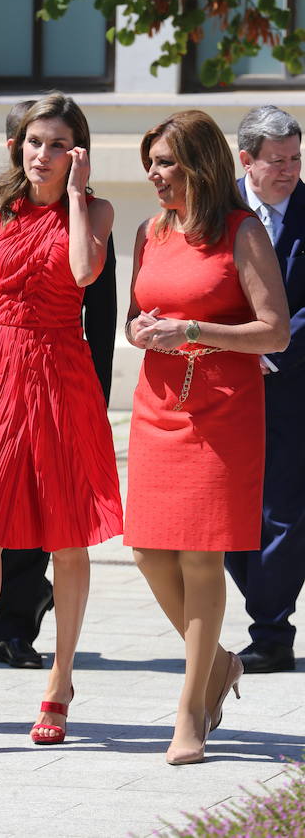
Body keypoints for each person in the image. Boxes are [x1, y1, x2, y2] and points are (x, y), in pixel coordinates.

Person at [0, 92, 123, 746]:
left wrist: (74, 196)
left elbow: (82, 271)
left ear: (79, 152)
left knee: (67, 540)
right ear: (18, 144)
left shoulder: (95, 210)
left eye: (59, 144)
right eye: (35, 141)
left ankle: (59, 682)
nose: (43, 154)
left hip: (63, 379)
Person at [124, 110, 290, 765]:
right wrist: (141, 330)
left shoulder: (241, 232)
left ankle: (189, 712)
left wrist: (194, 331)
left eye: (167, 162)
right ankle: (220, 664)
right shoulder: (149, 230)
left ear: (201, 165)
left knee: (201, 559)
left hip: (222, 411)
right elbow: (141, 312)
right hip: (157, 405)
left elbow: (273, 331)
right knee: (146, 552)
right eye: (152, 162)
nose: (155, 174)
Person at [225, 105, 305, 674]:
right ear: (246, 159)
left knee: (281, 508)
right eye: (278, 161)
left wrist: (273, 351)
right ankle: (264, 600)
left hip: (291, 384)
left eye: (297, 158)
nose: (291, 170)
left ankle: (272, 631)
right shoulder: (215, 208)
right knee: (226, 505)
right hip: (222, 382)